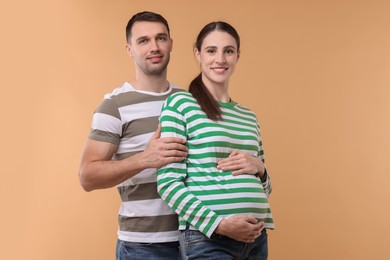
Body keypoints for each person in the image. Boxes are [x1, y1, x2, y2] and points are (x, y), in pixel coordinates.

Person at [157, 21, 274, 259]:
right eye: (211, 51)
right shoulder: (180, 105)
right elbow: (168, 184)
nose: (220, 59)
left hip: (256, 238)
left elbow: (266, 189)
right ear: (197, 54)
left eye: (228, 51)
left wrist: (260, 169)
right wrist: (218, 225)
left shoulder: (248, 116)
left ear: (237, 56)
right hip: (208, 238)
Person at [78, 11, 189, 260]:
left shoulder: (188, 101)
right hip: (144, 246)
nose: (154, 47)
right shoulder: (114, 105)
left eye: (161, 38)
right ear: (129, 49)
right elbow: (87, 176)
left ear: (171, 43)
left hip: (195, 239)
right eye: (143, 41)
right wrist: (144, 159)